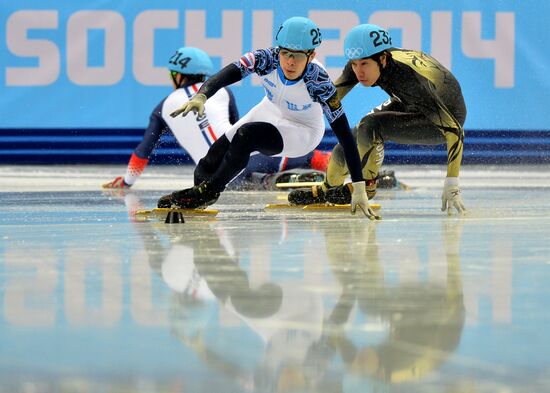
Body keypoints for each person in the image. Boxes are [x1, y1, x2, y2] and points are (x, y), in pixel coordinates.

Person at [158, 16, 379, 219]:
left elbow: (345, 137)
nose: (290, 62)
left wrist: (359, 186)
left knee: (246, 135)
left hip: (303, 130)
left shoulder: (319, 82)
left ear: (312, 55)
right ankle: (199, 197)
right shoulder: (267, 58)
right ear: (278, 50)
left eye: (298, 56)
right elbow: (227, 74)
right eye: (286, 53)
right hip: (270, 110)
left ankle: (210, 191)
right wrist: (202, 95)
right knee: (207, 164)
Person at [289, 24, 467, 214]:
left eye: (364, 64)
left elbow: (455, 131)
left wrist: (452, 182)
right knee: (351, 140)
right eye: (354, 64)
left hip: (442, 117)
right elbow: (329, 98)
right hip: (407, 102)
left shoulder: (412, 80)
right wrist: (295, 116)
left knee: (371, 126)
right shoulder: (365, 60)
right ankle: (328, 189)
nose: (359, 72)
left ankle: (367, 185)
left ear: (383, 59)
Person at [102, 46, 329, 190]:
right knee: (295, 153)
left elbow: (143, 151)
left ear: (179, 75)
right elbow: (243, 133)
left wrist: (127, 182)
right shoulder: (223, 91)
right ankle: (326, 162)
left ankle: (265, 182)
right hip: (250, 160)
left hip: (213, 174)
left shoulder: (162, 107)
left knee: (238, 178)